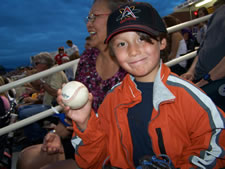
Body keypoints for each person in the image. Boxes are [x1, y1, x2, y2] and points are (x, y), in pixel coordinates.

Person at [52, 2, 225, 169]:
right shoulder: (112, 100)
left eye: (142, 38)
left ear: (162, 41)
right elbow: (95, 161)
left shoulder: (190, 97)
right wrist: (84, 124)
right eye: (121, 44)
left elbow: (216, 152)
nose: (133, 51)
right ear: (113, 53)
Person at [17, 0, 129, 168]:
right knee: (26, 158)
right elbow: (74, 108)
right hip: (82, 137)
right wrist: (56, 134)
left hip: (115, 148)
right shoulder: (88, 59)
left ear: (118, 18)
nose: (88, 24)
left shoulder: (134, 62)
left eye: (94, 17)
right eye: (88, 18)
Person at [181, 3, 225, 112]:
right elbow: (203, 47)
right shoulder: (219, 11)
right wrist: (191, 72)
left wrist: (206, 81)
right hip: (204, 78)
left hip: (217, 81)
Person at [17, 52, 68, 144]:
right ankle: (34, 135)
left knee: (24, 113)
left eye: (36, 63)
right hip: (49, 105)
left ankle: (39, 138)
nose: (35, 66)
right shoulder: (50, 73)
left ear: (44, 64)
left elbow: (55, 92)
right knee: (21, 109)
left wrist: (42, 84)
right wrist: (41, 94)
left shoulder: (55, 72)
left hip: (55, 108)